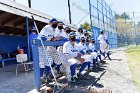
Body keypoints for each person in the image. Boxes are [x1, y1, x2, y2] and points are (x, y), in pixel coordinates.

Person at [38, 18, 62, 82]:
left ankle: (46, 75)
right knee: (42, 62)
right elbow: (43, 37)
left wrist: (55, 38)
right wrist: (48, 39)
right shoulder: (47, 27)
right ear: (50, 23)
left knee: (52, 60)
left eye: (56, 23)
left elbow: (51, 39)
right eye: (54, 22)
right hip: (40, 46)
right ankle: (41, 77)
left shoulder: (54, 30)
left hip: (46, 46)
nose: (55, 24)